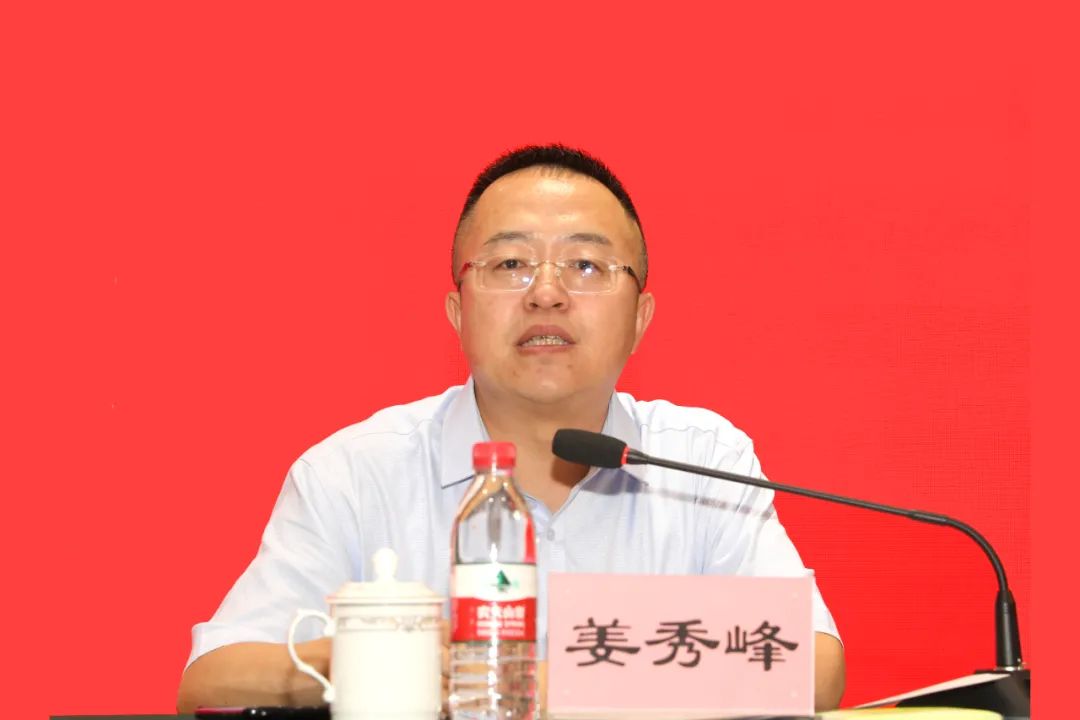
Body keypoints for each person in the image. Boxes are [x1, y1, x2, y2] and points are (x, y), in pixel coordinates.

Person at [176, 144, 846, 712]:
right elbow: (211, 680)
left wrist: (513, 684)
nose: (546, 293)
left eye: (586, 265)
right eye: (510, 265)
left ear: (641, 317)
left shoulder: (699, 462)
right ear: (457, 311)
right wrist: (368, 656)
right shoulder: (356, 473)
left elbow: (811, 665)